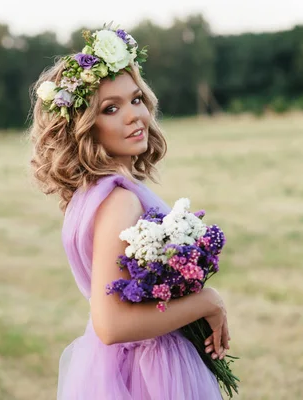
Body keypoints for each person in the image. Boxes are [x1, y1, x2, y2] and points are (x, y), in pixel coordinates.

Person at [28, 25, 231, 399]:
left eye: (136, 99)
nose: (134, 115)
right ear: (83, 127)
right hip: (150, 372)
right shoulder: (118, 200)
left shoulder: (96, 192)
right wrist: (207, 302)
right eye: (110, 108)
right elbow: (111, 323)